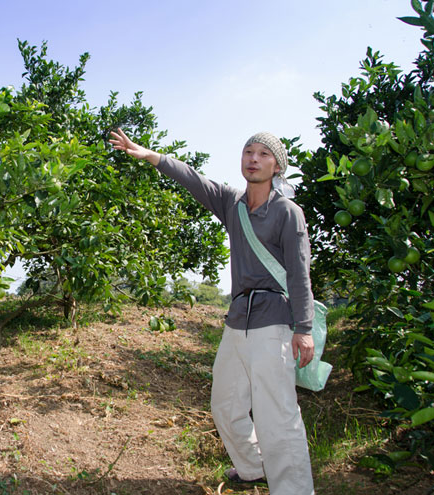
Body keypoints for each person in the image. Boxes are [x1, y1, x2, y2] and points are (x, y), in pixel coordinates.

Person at [109, 129, 315, 495]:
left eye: (263, 154)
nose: (253, 158)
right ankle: (253, 468)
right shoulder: (232, 203)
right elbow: (193, 179)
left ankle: (295, 490)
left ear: (277, 165)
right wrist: (150, 156)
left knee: (277, 415)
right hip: (237, 322)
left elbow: (299, 274)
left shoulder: (287, 212)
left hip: (273, 323)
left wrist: (304, 327)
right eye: (248, 151)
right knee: (225, 403)